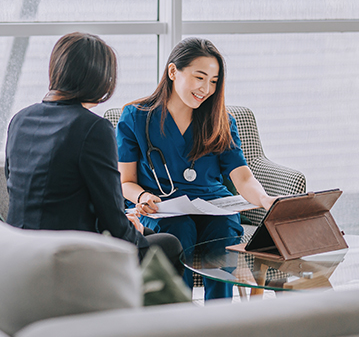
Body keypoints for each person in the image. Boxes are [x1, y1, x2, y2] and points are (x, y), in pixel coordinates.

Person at [5, 32, 183, 270]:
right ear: (100, 78)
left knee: (147, 232)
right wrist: (130, 229)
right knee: (169, 245)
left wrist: (129, 226)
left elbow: (29, 190)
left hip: (19, 245)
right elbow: (111, 214)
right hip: (68, 251)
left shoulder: (20, 119)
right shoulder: (93, 128)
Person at [116, 37, 276, 300]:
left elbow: (242, 175)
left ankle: (218, 320)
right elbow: (126, 182)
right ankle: (178, 317)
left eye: (213, 81)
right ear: (172, 72)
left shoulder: (221, 121)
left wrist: (264, 199)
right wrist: (142, 197)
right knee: (180, 231)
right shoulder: (136, 117)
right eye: (199, 77)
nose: (206, 88)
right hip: (162, 208)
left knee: (223, 231)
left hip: (214, 205)